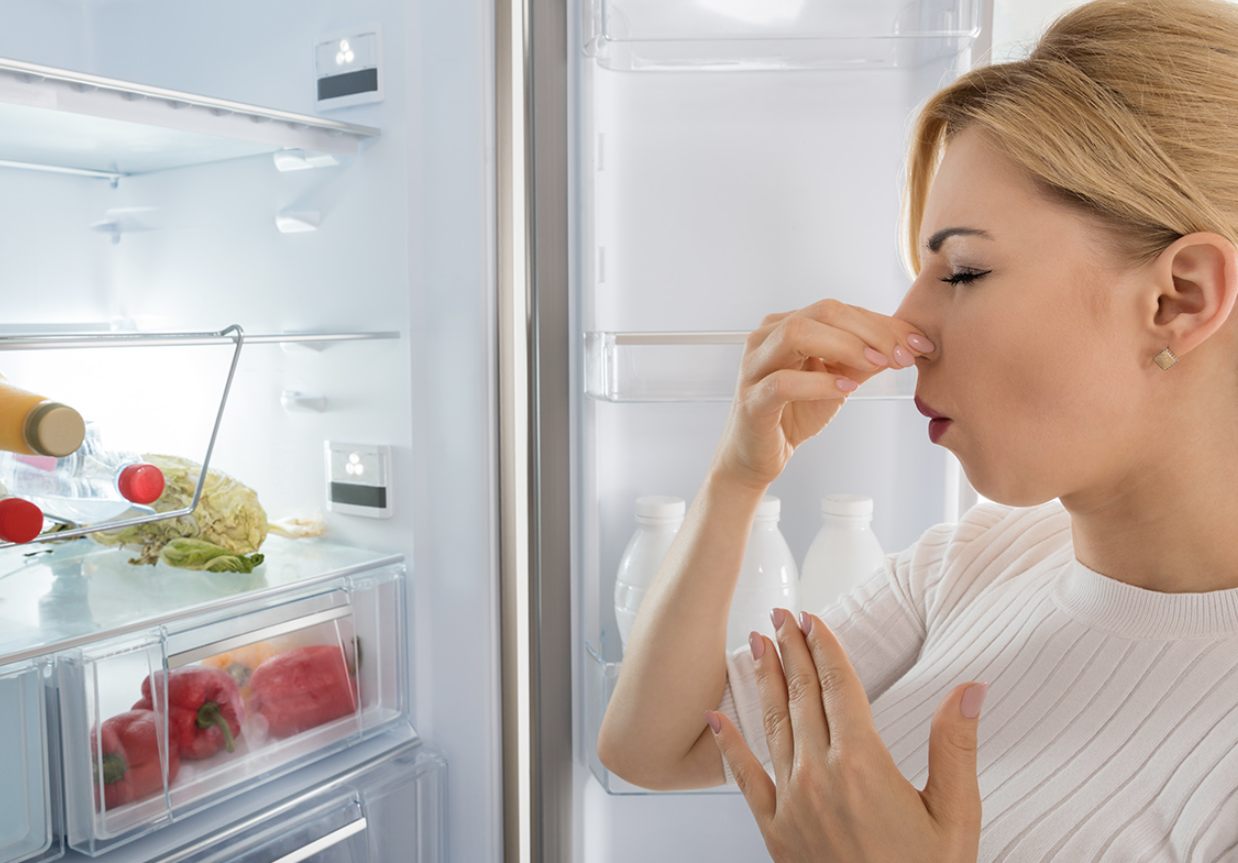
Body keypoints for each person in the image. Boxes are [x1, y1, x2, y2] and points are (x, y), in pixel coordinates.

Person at [596, 0, 1238, 859]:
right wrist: (738, 476)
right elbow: (653, 747)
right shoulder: (968, 567)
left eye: (963, 270)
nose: (905, 330)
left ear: (1179, 297)